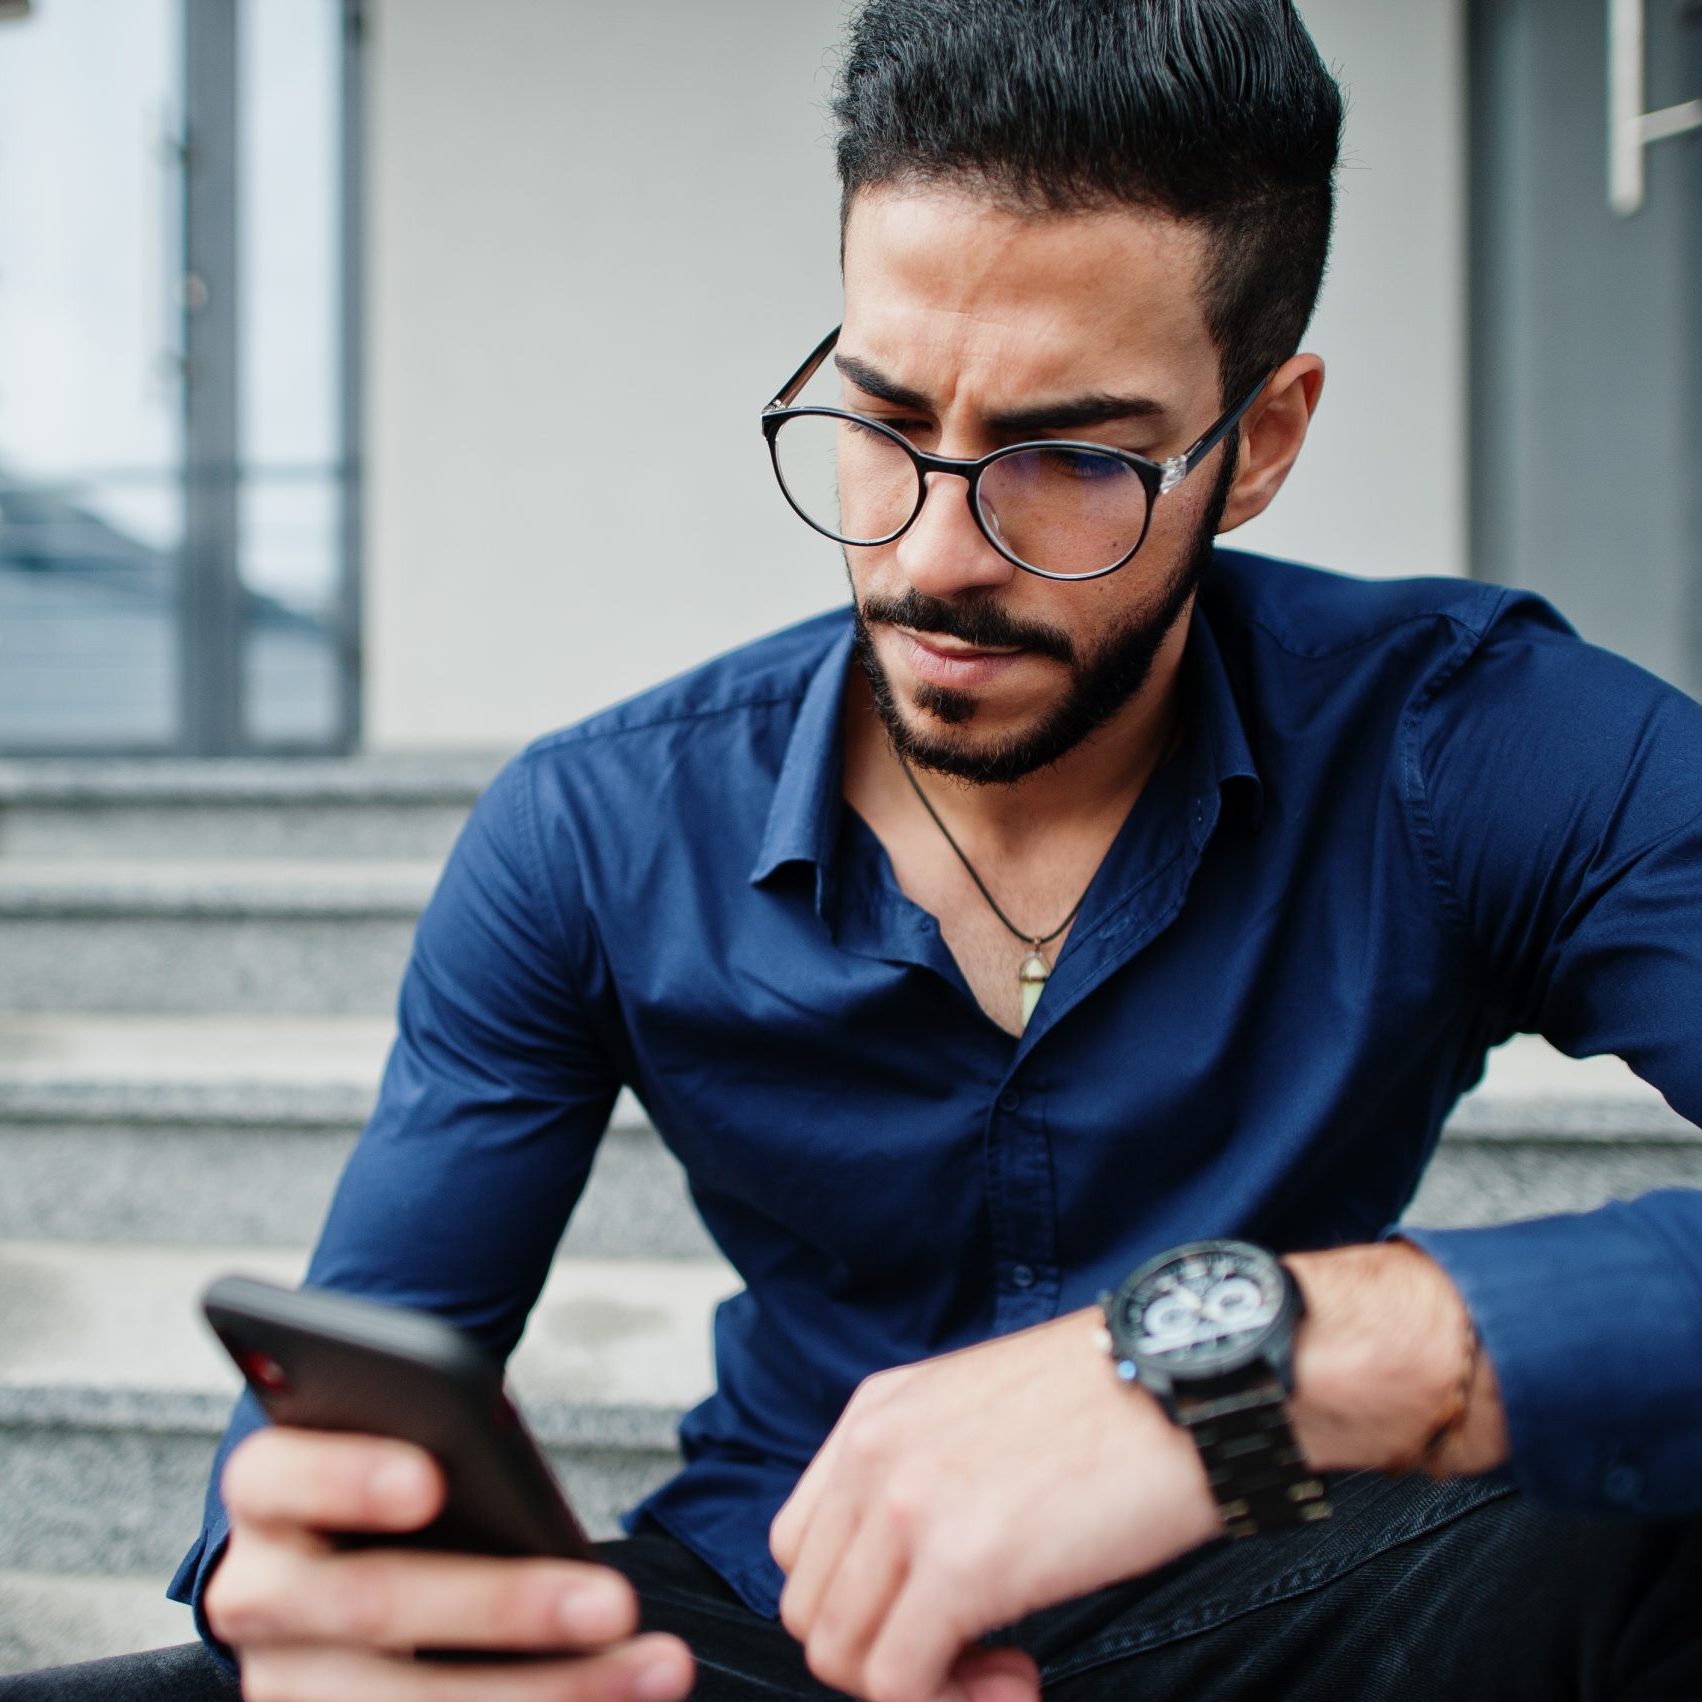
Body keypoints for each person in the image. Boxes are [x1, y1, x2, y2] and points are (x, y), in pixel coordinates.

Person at [12, 2, 1701, 1698]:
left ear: (1255, 439)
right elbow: (356, 1402)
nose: (937, 554)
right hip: (763, 1625)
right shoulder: (591, 826)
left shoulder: (1475, 743)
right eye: (883, 418)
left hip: (1295, 1601)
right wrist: (322, 1583)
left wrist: (1294, 1353)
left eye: (1066, 461)